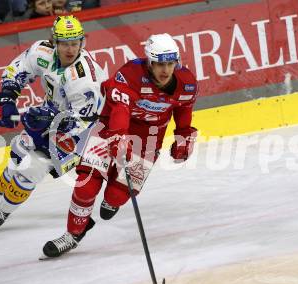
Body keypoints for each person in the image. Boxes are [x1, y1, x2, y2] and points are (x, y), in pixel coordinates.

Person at [43, 33, 199, 257]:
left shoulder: (187, 83)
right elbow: (120, 110)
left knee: (117, 196)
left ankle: (112, 200)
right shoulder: (131, 74)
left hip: (150, 137)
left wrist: (183, 137)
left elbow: (183, 109)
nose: (165, 70)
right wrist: (117, 136)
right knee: (86, 185)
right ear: (149, 62)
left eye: (169, 64)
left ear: (176, 62)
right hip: (111, 126)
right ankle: (73, 233)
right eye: (159, 64)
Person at [0, 15, 107, 235]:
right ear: (54, 42)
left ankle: (1, 212)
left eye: (75, 43)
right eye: (64, 43)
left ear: (82, 42)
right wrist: (7, 97)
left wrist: (52, 120)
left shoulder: (84, 77)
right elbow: (17, 69)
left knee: (32, 167)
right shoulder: (42, 52)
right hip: (50, 115)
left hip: (80, 133)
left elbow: (84, 119)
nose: (70, 49)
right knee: (18, 151)